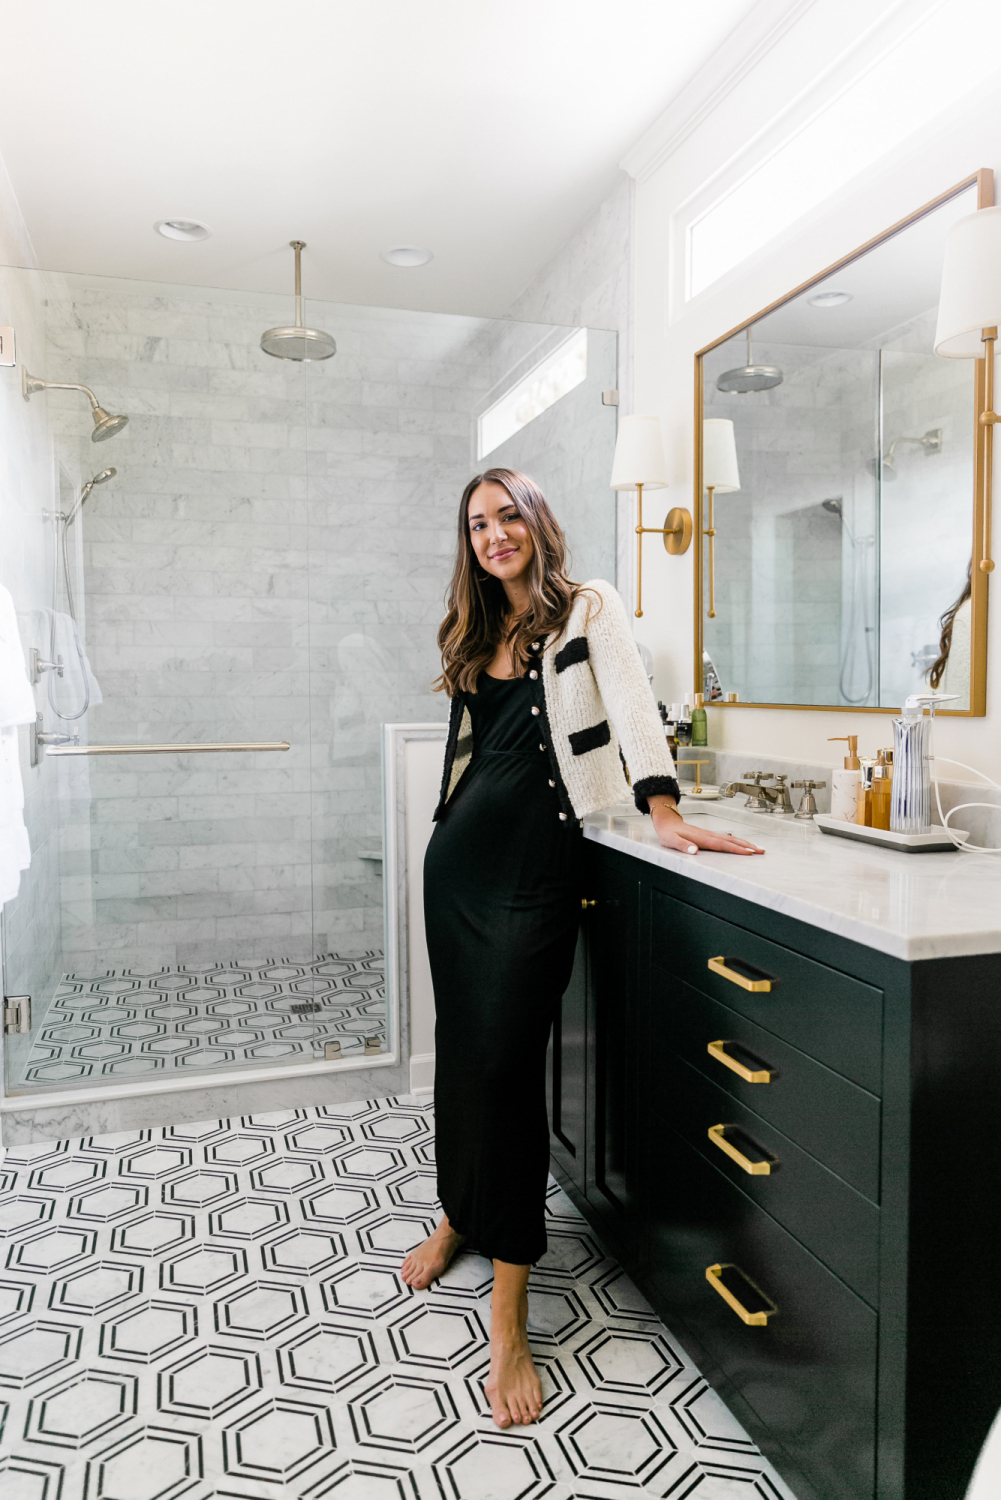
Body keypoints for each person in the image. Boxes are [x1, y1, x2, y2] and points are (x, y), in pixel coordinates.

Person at [400, 468, 763, 1430]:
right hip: (461, 871)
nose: (492, 535)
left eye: (506, 515)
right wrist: (444, 830)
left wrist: (666, 809)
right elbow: (463, 753)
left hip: (538, 872)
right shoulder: (472, 630)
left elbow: (636, 707)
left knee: (508, 1066)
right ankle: (461, 1212)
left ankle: (508, 1307)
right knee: (466, 1063)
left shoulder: (584, 607)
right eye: (476, 523)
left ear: (535, 520)